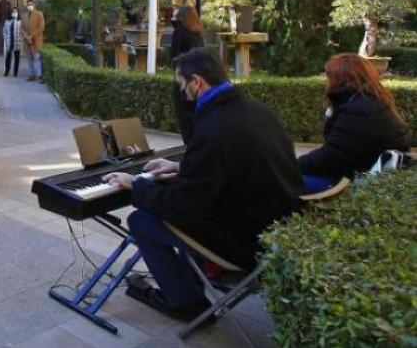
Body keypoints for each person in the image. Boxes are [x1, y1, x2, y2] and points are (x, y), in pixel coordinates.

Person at [102, 49, 303, 321]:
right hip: (275, 229)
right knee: (181, 215)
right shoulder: (256, 109)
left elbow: (184, 206)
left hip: (245, 241)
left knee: (142, 220)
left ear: (197, 82)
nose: (182, 93)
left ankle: (185, 301)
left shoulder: (213, 127)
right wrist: (181, 166)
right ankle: (191, 285)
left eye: (181, 85)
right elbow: (236, 164)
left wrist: (135, 185)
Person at [298, 53, 411, 192]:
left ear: (339, 79)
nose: (326, 81)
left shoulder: (359, 110)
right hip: (361, 173)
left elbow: (331, 157)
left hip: (350, 181)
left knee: (277, 181)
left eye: (328, 76)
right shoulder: (371, 101)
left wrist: (292, 164)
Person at [169, 6, 206, 144]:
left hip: (183, 79)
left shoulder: (179, 32)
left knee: (184, 118)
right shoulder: (197, 34)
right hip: (198, 81)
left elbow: (173, 57)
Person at [22, 0, 45, 82]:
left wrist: (32, 36)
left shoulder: (39, 14)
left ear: (34, 5)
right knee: (29, 59)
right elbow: (22, 28)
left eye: (31, 4)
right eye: (28, 5)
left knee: (37, 58)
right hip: (27, 41)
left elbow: (41, 27)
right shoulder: (24, 15)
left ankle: (39, 76)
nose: (30, 6)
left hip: (36, 40)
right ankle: (31, 75)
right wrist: (26, 36)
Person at [2, 9, 22, 77]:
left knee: (17, 58)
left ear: (18, 13)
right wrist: (5, 39)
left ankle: (15, 72)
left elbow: (22, 32)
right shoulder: (7, 21)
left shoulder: (20, 22)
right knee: (8, 57)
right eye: (13, 12)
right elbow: (4, 31)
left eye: (16, 12)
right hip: (9, 42)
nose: (14, 13)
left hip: (17, 42)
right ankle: (7, 71)